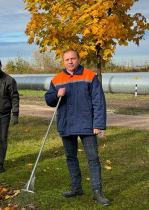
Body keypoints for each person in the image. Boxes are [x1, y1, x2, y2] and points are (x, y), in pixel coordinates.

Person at [45, 50, 110, 206]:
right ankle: (76, 187)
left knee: (93, 158)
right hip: (66, 124)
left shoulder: (90, 76)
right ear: (63, 62)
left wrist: (98, 124)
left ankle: (97, 192)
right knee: (71, 157)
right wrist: (56, 95)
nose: (70, 62)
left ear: (78, 59)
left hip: (87, 125)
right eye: (67, 59)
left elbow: (99, 102)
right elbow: (49, 100)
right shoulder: (57, 79)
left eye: (73, 58)